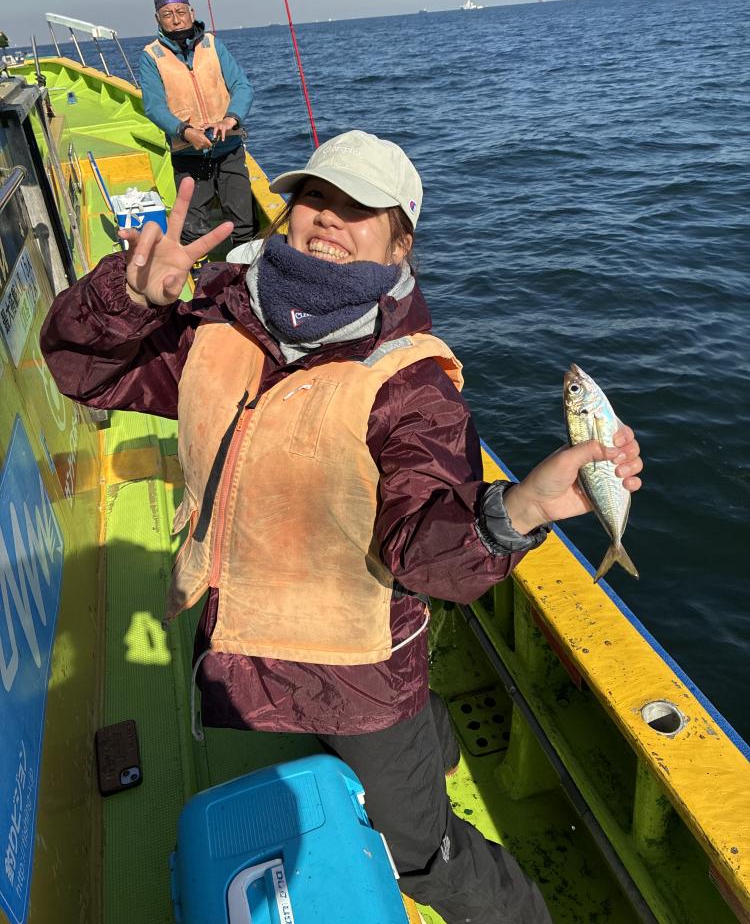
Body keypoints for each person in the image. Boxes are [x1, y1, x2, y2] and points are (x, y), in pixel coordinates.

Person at [40, 130, 643, 924]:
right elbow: (87, 370)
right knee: (393, 753)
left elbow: (426, 555)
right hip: (245, 641)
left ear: (401, 244)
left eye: (360, 208)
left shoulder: (411, 385)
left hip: (359, 677)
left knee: (422, 855)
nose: (328, 215)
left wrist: (521, 509)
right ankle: (435, 747)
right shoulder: (218, 318)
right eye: (315, 196)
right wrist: (126, 296)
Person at [139, 0, 257, 249]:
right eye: (167, 14)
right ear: (158, 18)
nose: (176, 19)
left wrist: (230, 119)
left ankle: (243, 267)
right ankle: (196, 269)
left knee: (243, 224)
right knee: (192, 229)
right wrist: (186, 132)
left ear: (191, 12)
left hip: (228, 147)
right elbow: (154, 106)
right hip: (188, 154)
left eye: (181, 11)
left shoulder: (212, 44)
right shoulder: (151, 56)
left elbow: (242, 85)